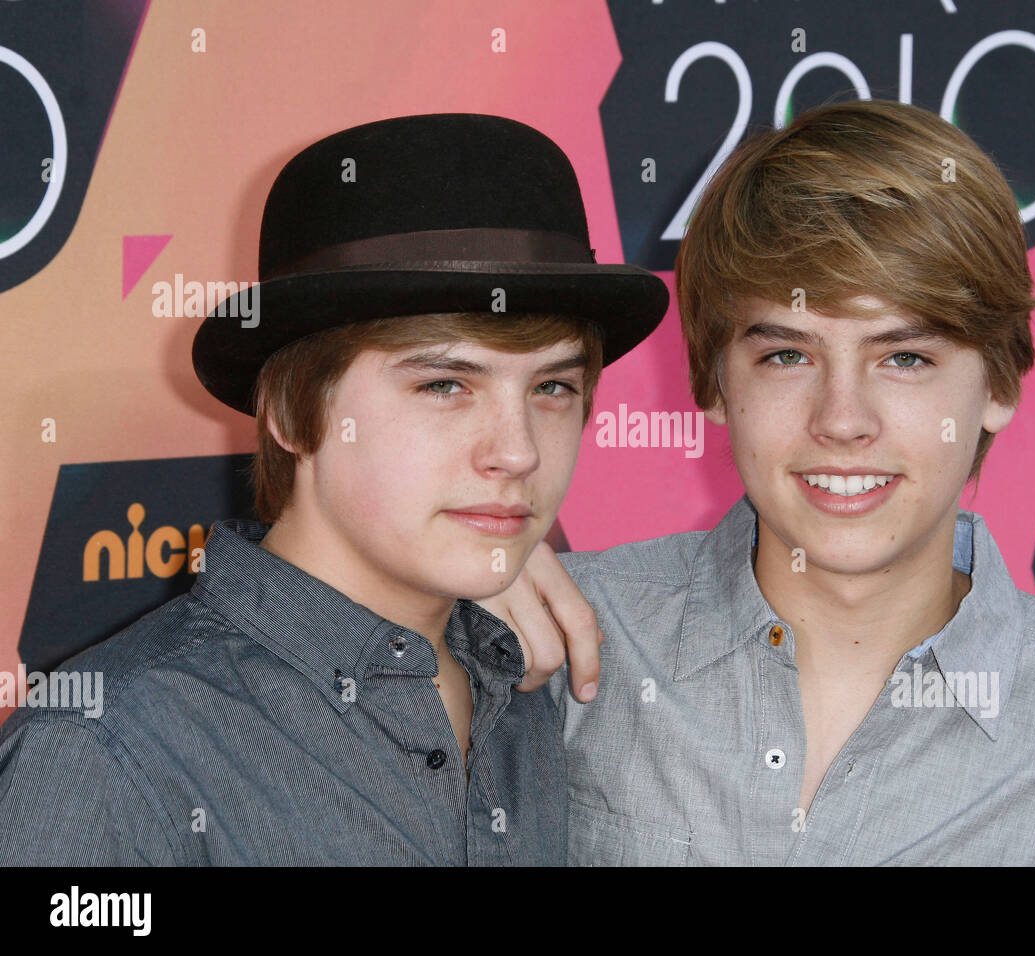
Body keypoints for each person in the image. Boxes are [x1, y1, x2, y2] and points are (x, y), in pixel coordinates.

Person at [481, 99, 1035, 865]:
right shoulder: (551, 642)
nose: (842, 421)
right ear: (712, 383)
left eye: (905, 358)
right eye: (788, 356)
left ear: (1001, 384)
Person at [0, 113, 666, 865]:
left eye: (551, 387)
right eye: (445, 384)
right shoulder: (111, 754)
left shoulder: (529, 684)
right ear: (288, 409)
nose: (516, 452)